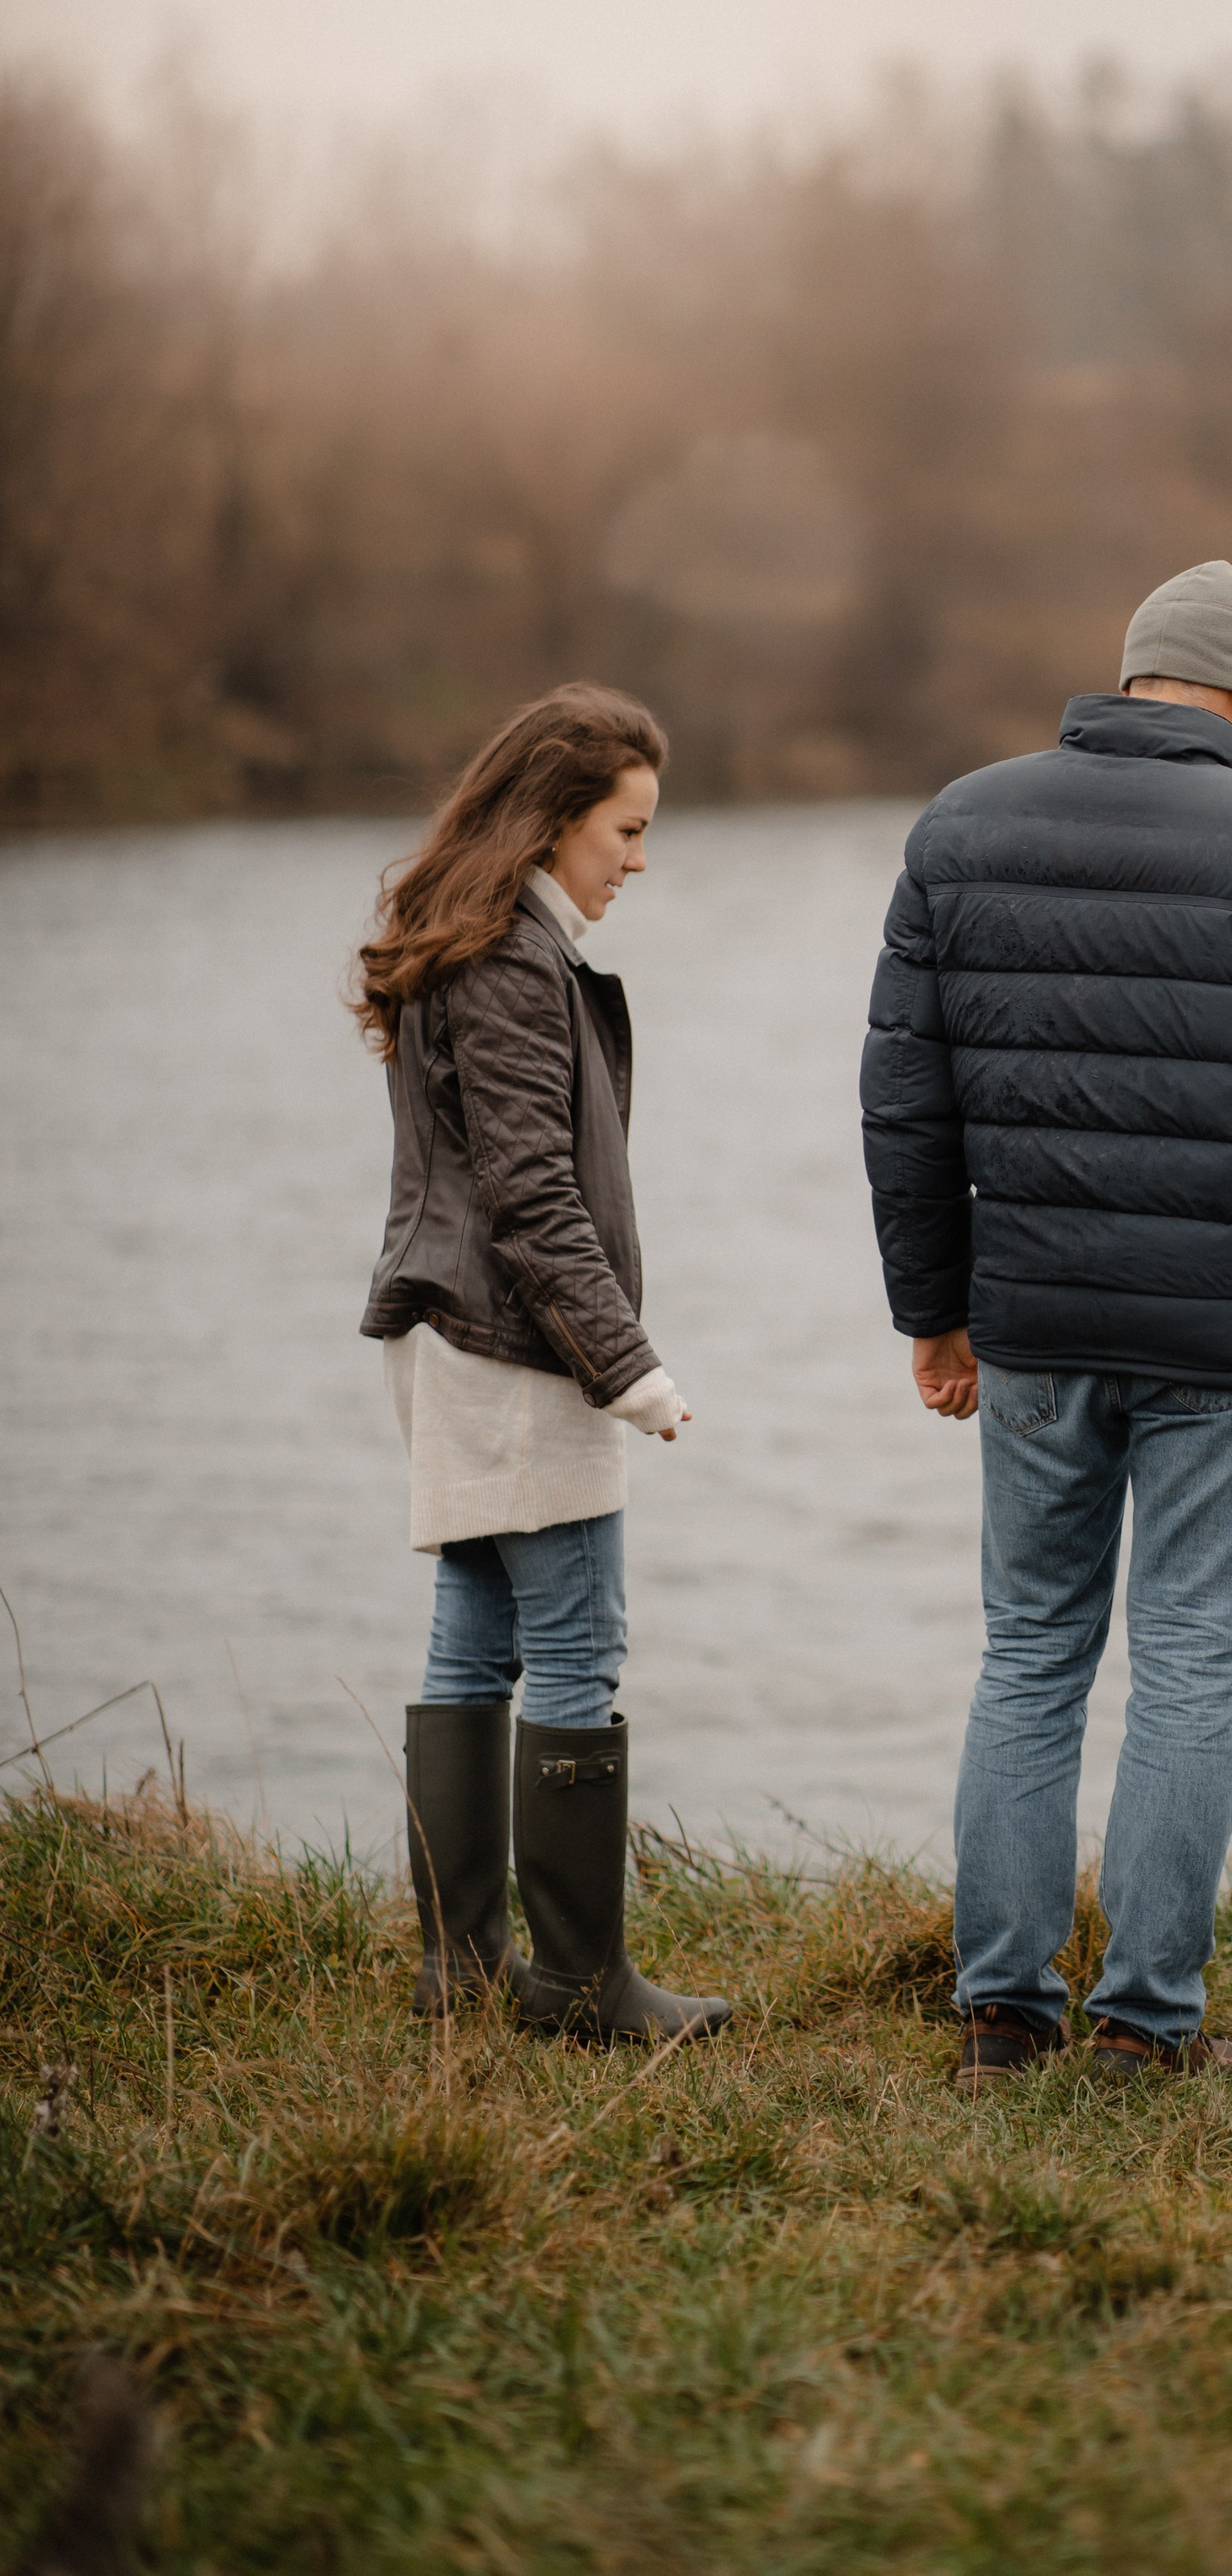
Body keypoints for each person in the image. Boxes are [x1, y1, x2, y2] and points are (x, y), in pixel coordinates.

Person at [861, 560, 1232, 2086]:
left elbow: (904, 1105)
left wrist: (934, 1314)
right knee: (1188, 1668)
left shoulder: (960, 827)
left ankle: (1002, 2012)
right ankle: (1145, 2024)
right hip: (1223, 1345)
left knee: (1030, 1654)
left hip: (1031, 1323)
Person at [354, 681, 730, 2047]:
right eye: (626, 829)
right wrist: (629, 1369)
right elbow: (530, 1199)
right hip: (517, 1348)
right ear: (554, 818)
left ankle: (463, 1972)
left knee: (474, 1635)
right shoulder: (512, 961)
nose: (640, 858)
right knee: (576, 1639)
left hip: (456, 1337)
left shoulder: (476, 939)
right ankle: (580, 1987)